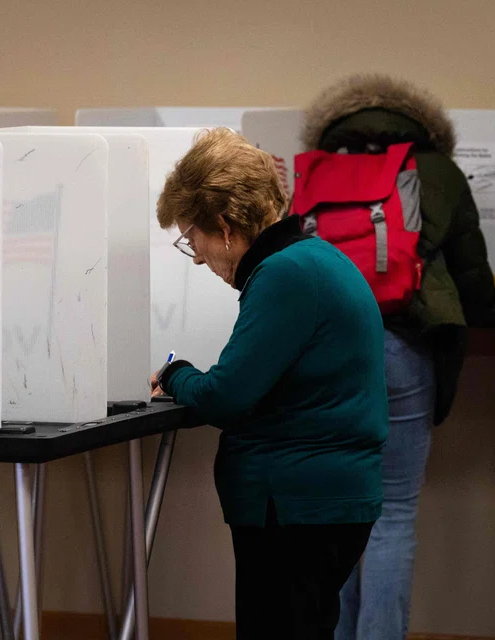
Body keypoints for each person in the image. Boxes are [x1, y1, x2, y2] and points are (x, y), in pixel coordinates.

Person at [151, 128, 388, 640]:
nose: (194, 256)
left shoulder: (285, 275)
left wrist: (175, 374)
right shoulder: (315, 259)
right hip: (319, 501)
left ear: (224, 224)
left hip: (296, 507)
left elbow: (227, 395)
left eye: (193, 236)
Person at [299, 74, 495, 640]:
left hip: (323, 354)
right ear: (423, 124)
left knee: (338, 516)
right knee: (391, 517)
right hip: (401, 345)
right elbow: (474, 282)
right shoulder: (437, 171)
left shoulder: (314, 170)